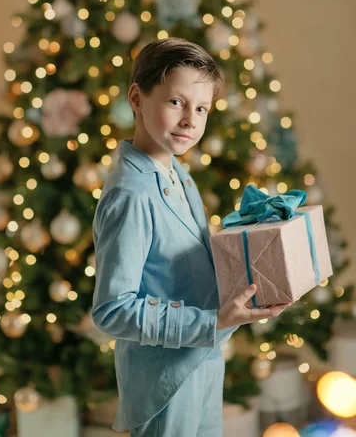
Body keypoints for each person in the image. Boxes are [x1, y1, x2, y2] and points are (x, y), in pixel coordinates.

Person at [91, 38, 290, 436]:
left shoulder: (177, 172)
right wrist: (210, 322)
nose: (190, 121)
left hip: (203, 359)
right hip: (164, 382)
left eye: (201, 108)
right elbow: (113, 310)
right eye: (176, 102)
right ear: (136, 97)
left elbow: (188, 260)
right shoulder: (129, 195)